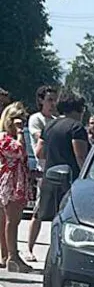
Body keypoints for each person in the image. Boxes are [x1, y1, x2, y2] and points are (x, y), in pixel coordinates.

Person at [33, 94, 90, 231]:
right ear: (78, 109)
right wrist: (87, 179)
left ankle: (33, 244)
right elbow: (80, 156)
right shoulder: (76, 128)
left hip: (50, 179)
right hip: (71, 182)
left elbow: (39, 152)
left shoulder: (49, 126)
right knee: (70, 220)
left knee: (46, 216)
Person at [24, 85, 58, 261]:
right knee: (38, 211)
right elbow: (40, 138)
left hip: (58, 169)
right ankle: (29, 249)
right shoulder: (36, 119)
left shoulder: (56, 120)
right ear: (41, 101)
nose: (53, 104)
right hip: (44, 170)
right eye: (49, 100)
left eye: (54, 100)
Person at [0, 103, 33, 273]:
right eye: (18, 120)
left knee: (11, 220)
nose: (21, 125)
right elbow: (19, 151)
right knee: (11, 221)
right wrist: (20, 133)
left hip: (19, 181)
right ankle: (12, 257)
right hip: (11, 183)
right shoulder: (4, 139)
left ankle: (8, 255)